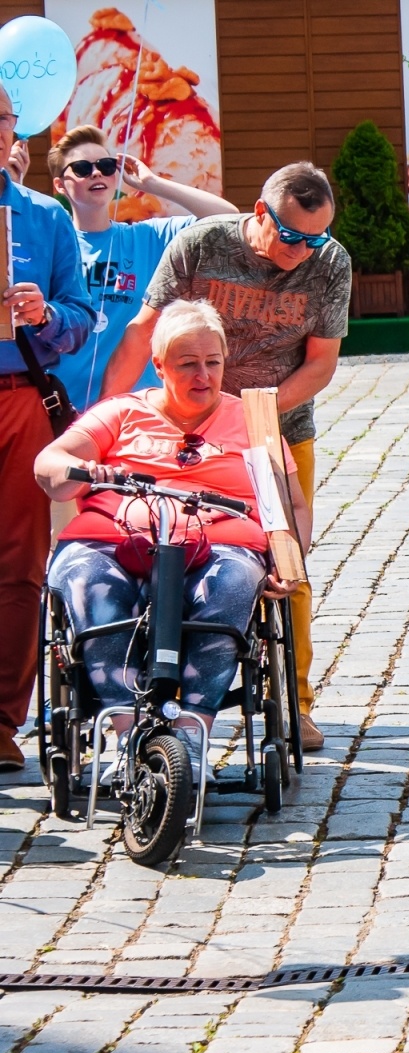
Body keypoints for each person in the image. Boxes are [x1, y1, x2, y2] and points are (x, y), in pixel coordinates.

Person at [98, 162, 352, 754]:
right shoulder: (201, 245)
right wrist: (108, 413)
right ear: (259, 215)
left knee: (287, 562)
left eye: (316, 238)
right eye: (292, 237)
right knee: (155, 544)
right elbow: (144, 330)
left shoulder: (329, 262)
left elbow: (320, 363)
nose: (304, 251)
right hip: (180, 429)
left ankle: (298, 702)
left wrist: (250, 411)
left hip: (275, 430)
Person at [34, 300, 309, 780]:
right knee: (87, 583)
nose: (203, 375)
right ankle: (125, 736)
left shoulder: (253, 422)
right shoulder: (121, 413)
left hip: (221, 542)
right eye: (188, 364)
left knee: (234, 585)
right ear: (158, 365)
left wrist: (289, 561)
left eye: (213, 363)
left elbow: (293, 506)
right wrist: (83, 471)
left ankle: (190, 737)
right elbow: (50, 466)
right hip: (115, 540)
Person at [0, 83, 94, 772]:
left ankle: (2, 721)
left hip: (18, 396)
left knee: (19, 565)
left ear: (14, 130)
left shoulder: (45, 217)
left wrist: (46, 316)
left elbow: (81, 320)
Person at [48, 125, 237, 411]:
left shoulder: (147, 237)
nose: (97, 173)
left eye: (106, 165)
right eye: (83, 168)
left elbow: (227, 217)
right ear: (60, 185)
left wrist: (152, 183)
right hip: (60, 404)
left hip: (133, 408)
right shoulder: (52, 244)